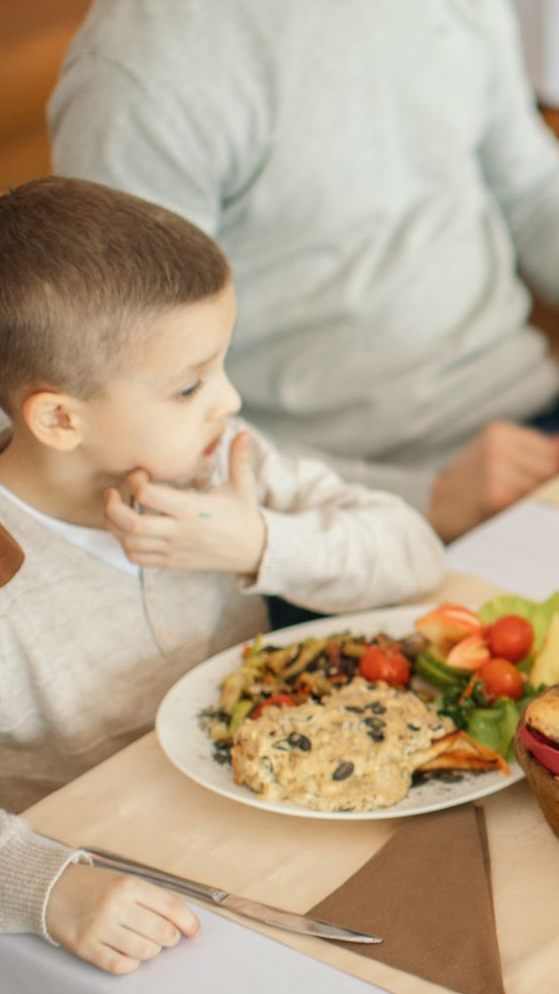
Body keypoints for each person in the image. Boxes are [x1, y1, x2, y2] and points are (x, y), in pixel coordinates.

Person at [0, 176, 444, 974]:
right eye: (189, 385)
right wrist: (48, 887)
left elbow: (412, 555)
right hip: (113, 894)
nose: (229, 400)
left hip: (279, 823)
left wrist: (257, 543)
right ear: (60, 418)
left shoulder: (213, 462)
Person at [48, 0, 559, 542]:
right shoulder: (136, 74)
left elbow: (530, 194)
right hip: (326, 514)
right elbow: (133, 400)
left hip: (533, 430)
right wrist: (429, 497)